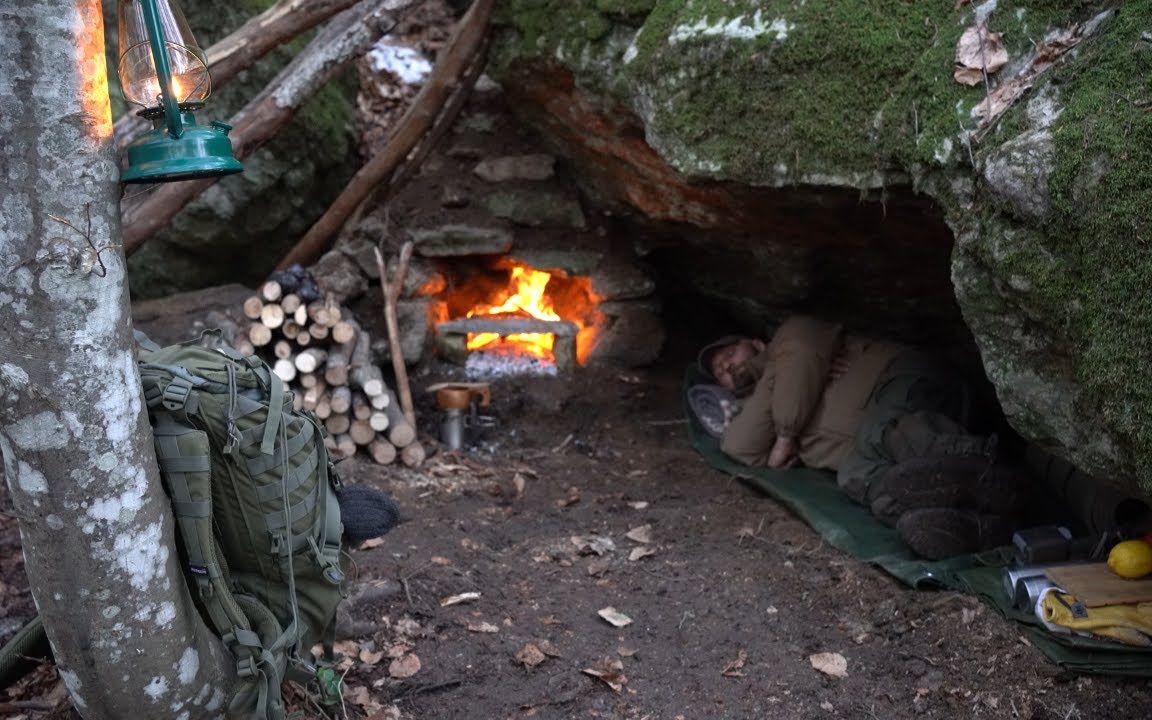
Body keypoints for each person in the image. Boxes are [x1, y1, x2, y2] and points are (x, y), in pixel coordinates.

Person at [697, 315, 1029, 559]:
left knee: (884, 433)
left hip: (901, 378)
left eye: (729, 356)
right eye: (720, 373)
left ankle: (991, 468)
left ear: (754, 342)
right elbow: (739, 446)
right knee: (855, 475)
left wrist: (784, 437)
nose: (727, 368)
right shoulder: (766, 393)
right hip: (873, 444)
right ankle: (979, 527)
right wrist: (780, 377)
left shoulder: (792, 333)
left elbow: (801, 351)